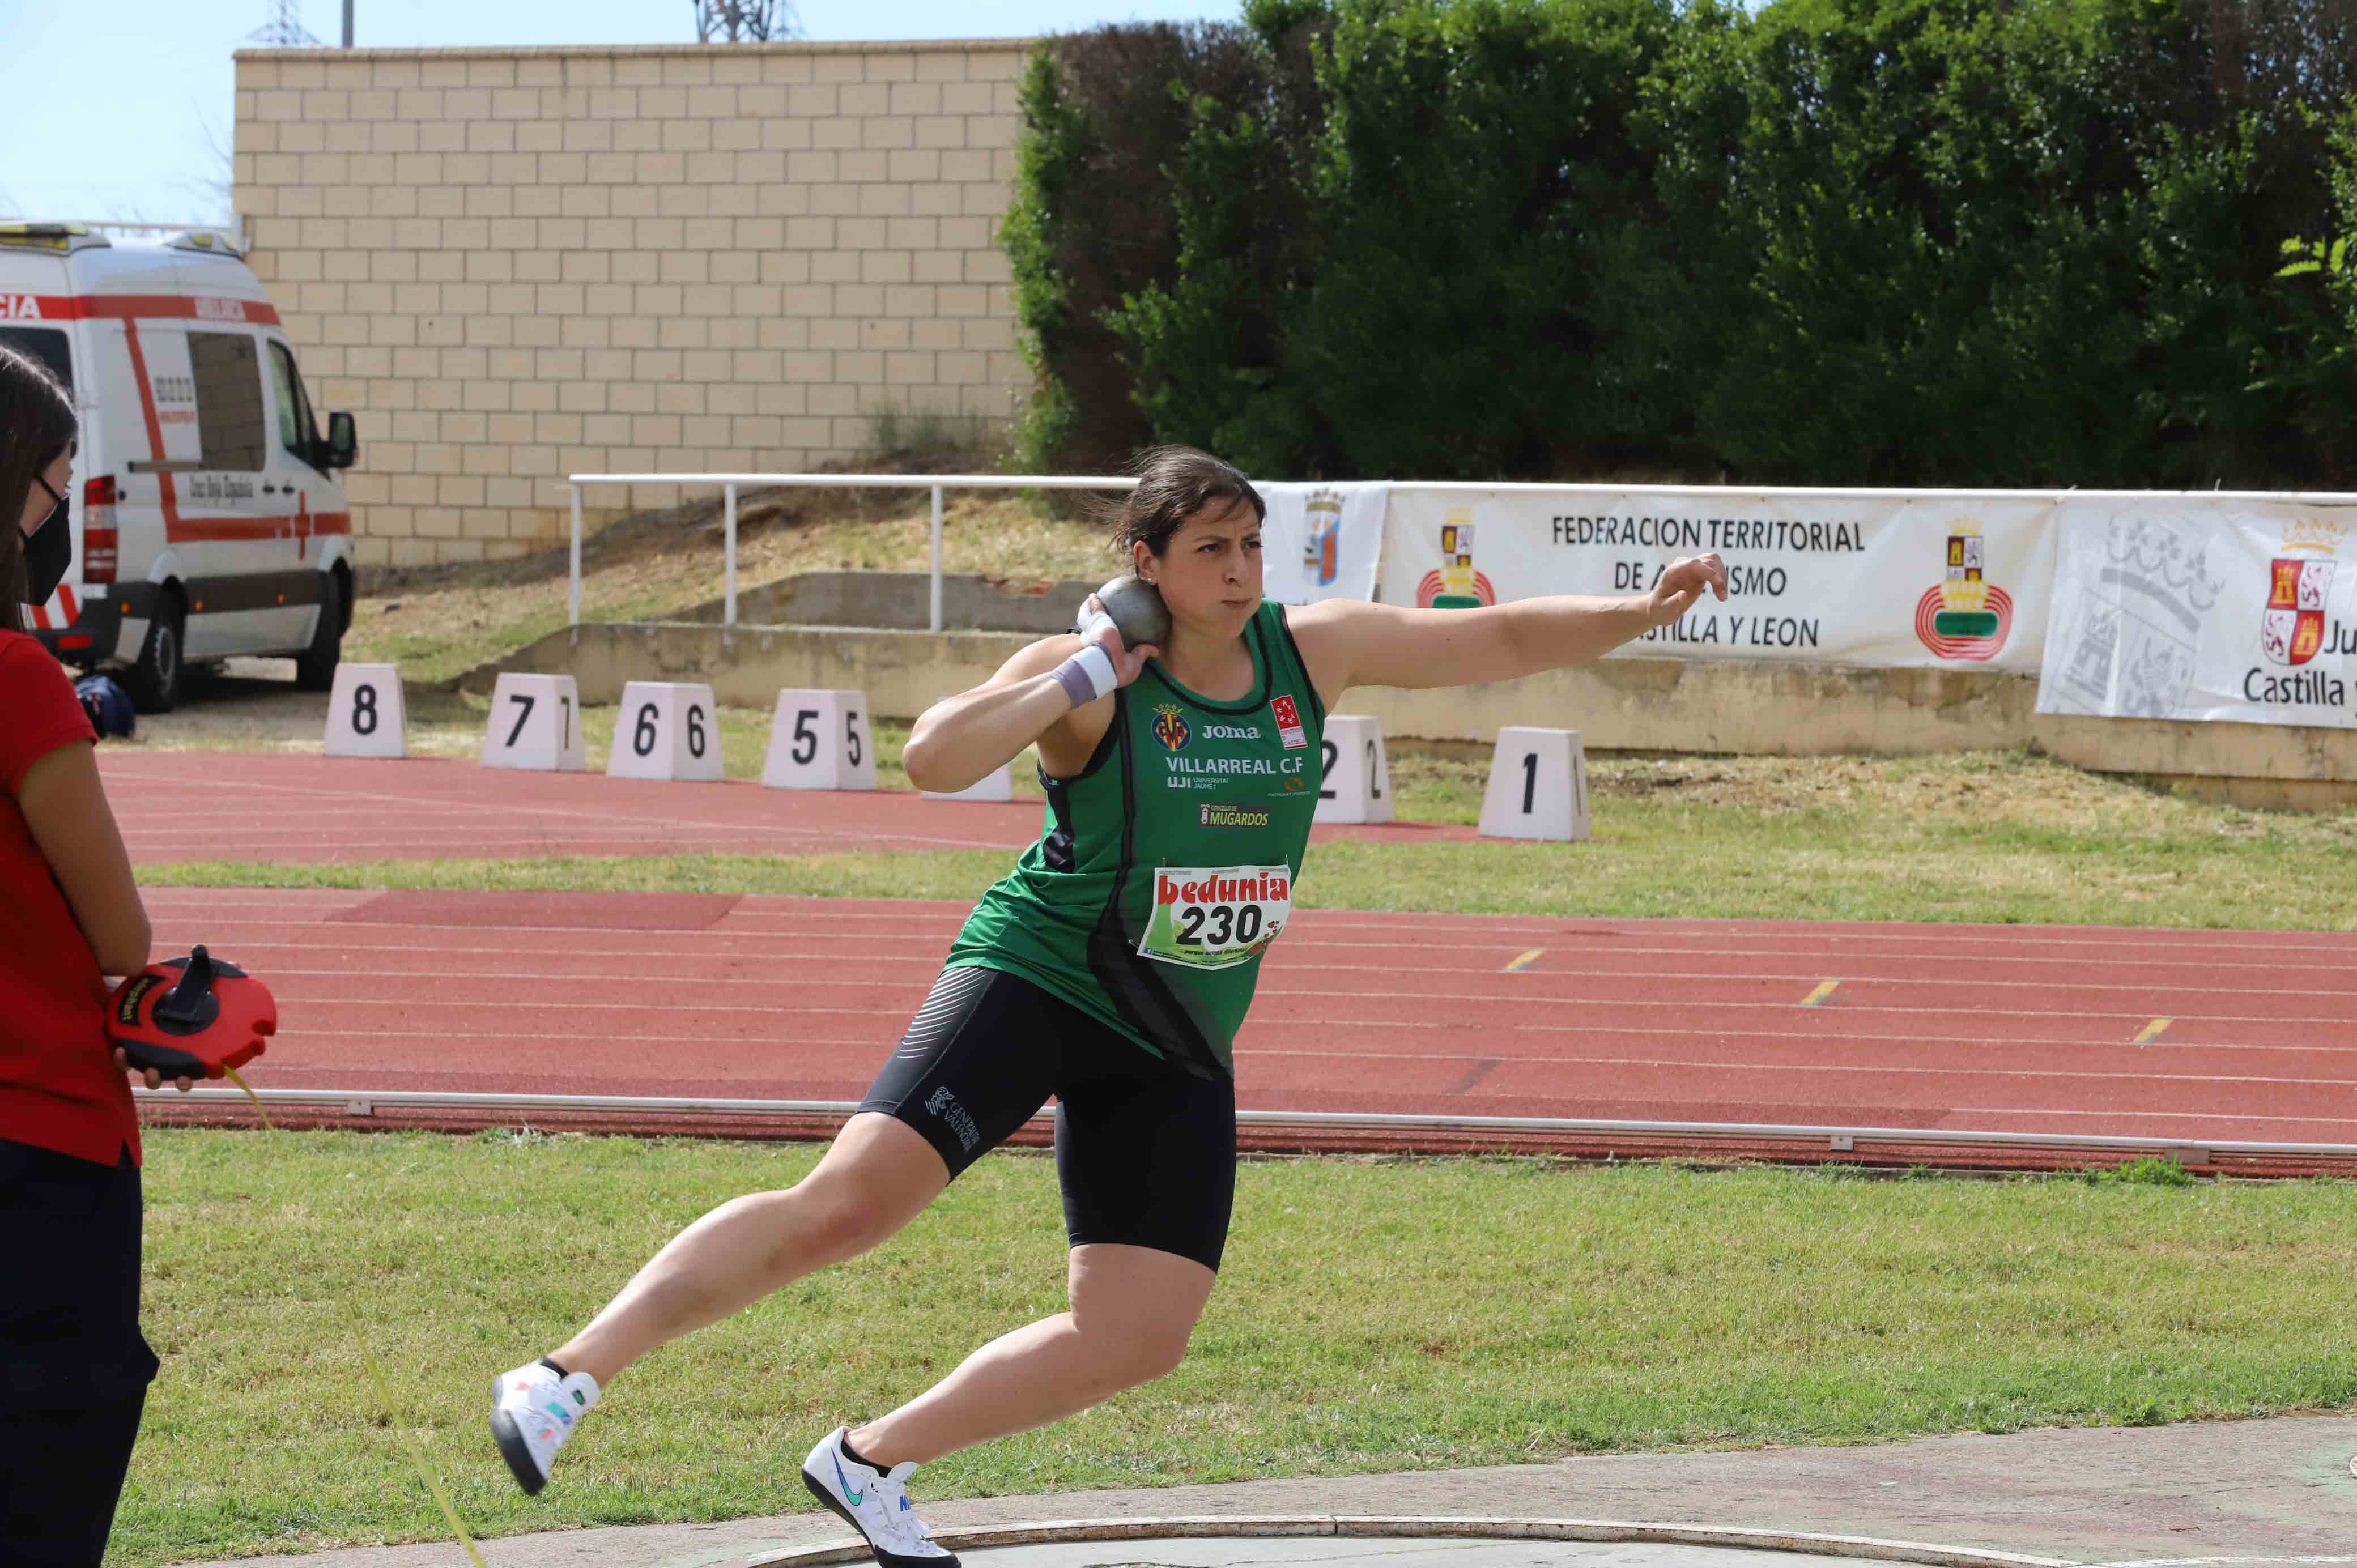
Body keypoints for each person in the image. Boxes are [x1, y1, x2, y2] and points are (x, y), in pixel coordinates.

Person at [490, 446, 1728, 1568]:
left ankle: (867, 1460)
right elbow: (929, 758)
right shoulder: (1087, 677)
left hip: (1177, 1026)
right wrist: (1078, 671)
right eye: (1210, 550)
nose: (1241, 571)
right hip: (1040, 975)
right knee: (847, 1207)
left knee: (1139, 1330)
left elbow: (1496, 646)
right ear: (1144, 563)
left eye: (1252, 545)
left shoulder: (1311, 652)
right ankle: (565, 1376)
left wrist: (1639, 609)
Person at [0, 343, 192, 1566]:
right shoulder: (19, 677)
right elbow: (121, 935)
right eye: (58, 479)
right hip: (42, 1140)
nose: (63, 510)